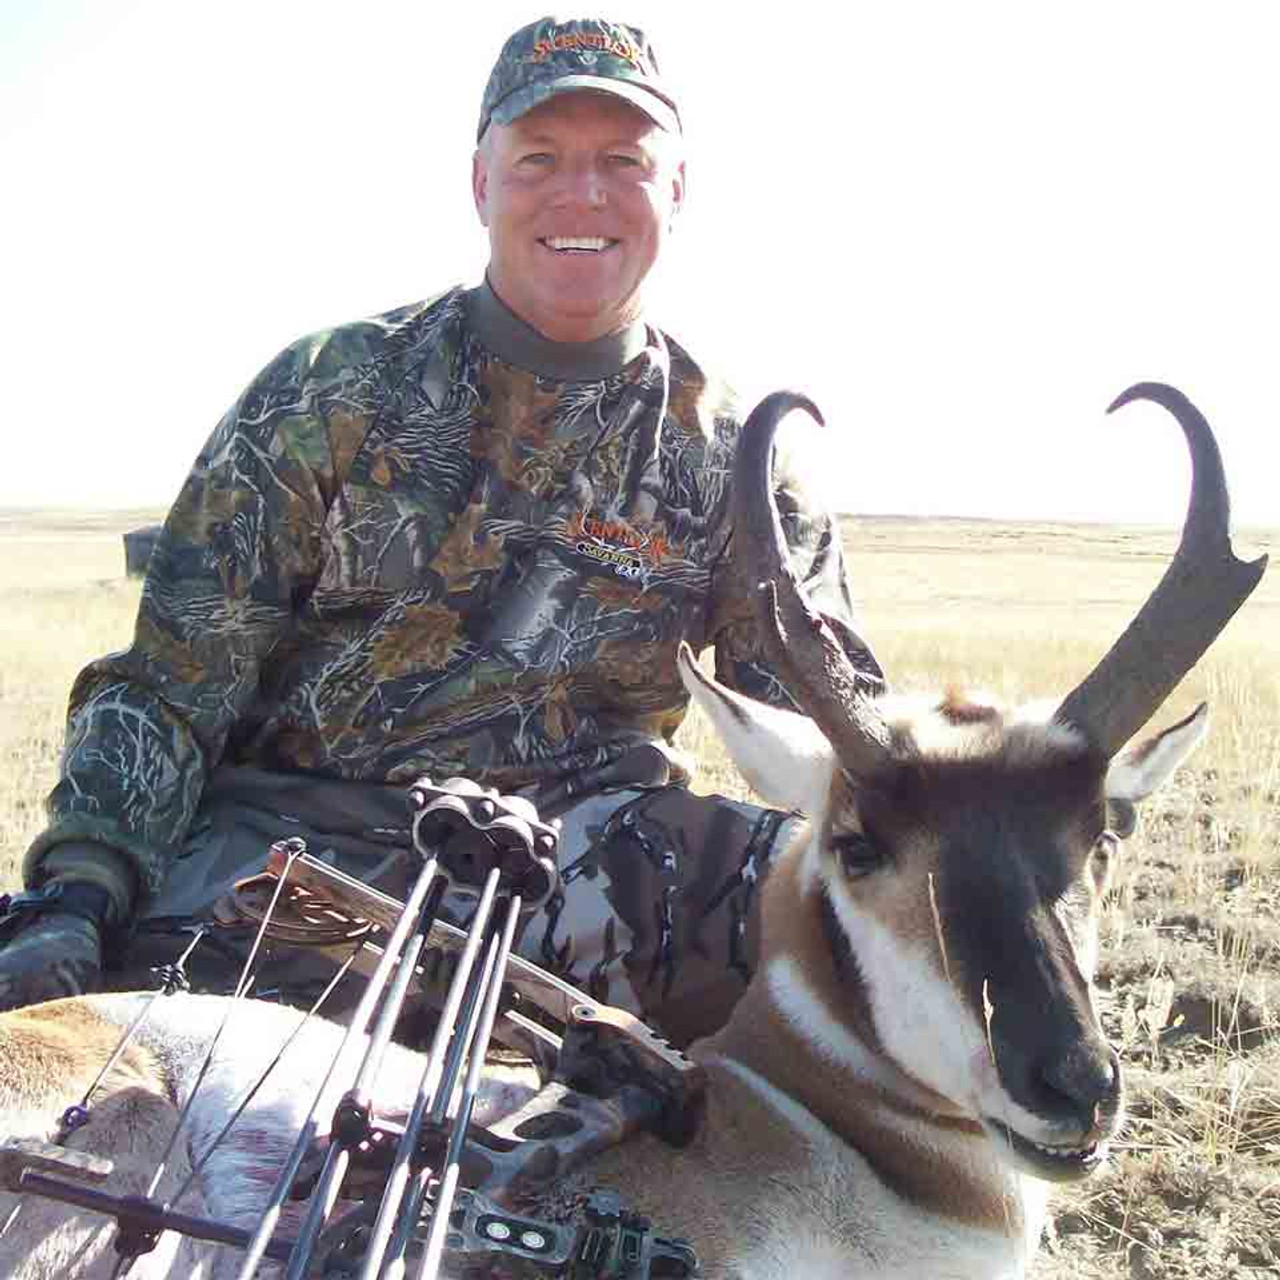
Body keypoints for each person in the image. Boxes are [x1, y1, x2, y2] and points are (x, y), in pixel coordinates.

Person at [0, 16, 877, 1045]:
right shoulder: (327, 389)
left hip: (588, 860)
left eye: (621, 163)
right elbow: (171, 683)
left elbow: (837, 740)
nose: (580, 196)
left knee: (836, 961)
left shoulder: (737, 456)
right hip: (297, 846)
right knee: (142, 1073)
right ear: (480, 184)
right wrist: (79, 893)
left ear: (674, 190)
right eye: (539, 160)